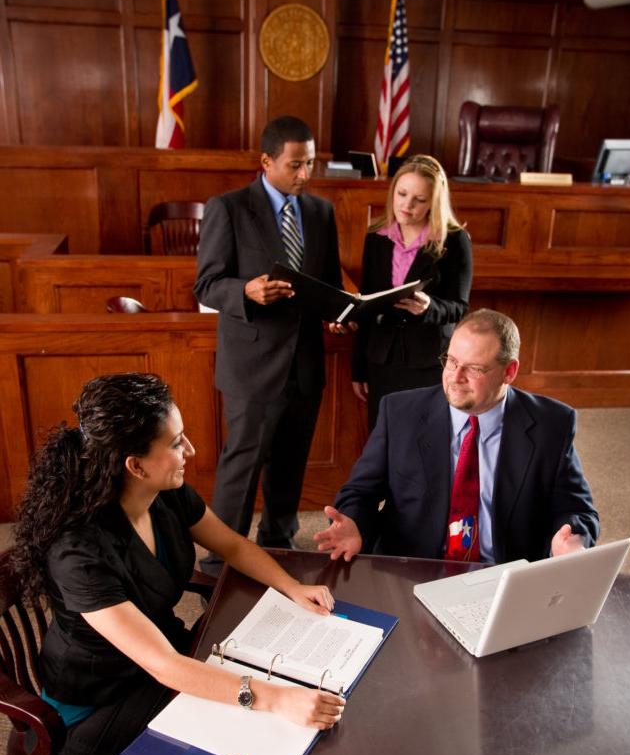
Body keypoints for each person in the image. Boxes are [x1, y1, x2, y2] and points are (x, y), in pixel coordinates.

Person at [11, 373, 344, 755]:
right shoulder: (78, 553)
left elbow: (232, 545)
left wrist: (291, 586)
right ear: (135, 465)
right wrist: (277, 699)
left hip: (165, 653)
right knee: (249, 737)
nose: (191, 449)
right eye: (174, 443)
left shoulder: (166, 491)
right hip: (102, 697)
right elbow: (163, 665)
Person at [315, 309, 599, 564]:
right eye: (451, 361)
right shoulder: (400, 413)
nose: (455, 377)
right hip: (415, 569)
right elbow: (360, 493)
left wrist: (573, 539)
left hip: (505, 573)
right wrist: (355, 524)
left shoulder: (552, 423)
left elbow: (577, 510)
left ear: (509, 372)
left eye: (474, 368)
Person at [193, 115, 342, 566]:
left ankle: (278, 538)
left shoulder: (320, 212)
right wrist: (246, 290)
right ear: (266, 161)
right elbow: (206, 284)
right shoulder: (229, 208)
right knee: (243, 464)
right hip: (253, 364)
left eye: (311, 164)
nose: (304, 174)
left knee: (291, 460)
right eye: (296, 165)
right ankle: (220, 558)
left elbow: (328, 282)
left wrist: (340, 313)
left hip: (305, 363)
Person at [351, 154, 473, 429]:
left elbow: (459, 306)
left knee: (423, 441)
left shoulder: (454, 240)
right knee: (383, 438)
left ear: (434, 202)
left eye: (419, 199)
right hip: (381, 358)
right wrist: (358, 368)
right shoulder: (376, 237)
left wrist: (429, 308)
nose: (407, 205)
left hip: (428, 360)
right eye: (402, 194)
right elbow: (366, 305)